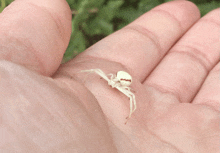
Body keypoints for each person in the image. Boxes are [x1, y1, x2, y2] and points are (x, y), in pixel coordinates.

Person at [0, 0, 219, 152]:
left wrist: (130, 111)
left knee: (129, 95)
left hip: (124, 80)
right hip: (119, 78)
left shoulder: (124, 85)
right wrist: (86, 76)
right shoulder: (111, 77)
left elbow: (131, 93)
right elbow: (99, 72)